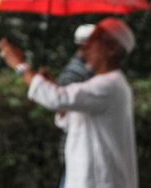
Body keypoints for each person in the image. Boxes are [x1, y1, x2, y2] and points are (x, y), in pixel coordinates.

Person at [0, 18, 138, 188]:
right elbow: (70, 115)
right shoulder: (107, 84)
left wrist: (20, 65)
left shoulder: (109, 85)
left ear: (111, 48)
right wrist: (52, 87)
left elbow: (56, 99)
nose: (85, 48)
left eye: (93, 42)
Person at [55, 24, 95, 185]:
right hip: (76, 149)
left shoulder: (86, 70)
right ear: (86, 45)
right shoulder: (74, 74)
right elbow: (62, 111)